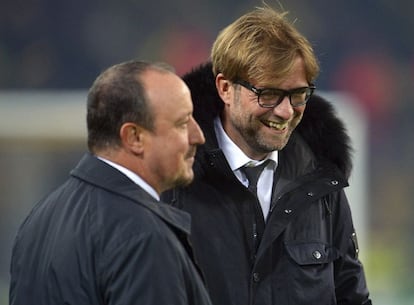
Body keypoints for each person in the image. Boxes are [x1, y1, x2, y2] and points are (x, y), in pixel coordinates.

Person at [161, 5, 372, 305]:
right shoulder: (173, 181)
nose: (286, 111)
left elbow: (352, 296)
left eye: (298, 95)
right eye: (269, 94)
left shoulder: (321, 181)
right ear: (224, 88)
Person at [9, 60, 212, 305]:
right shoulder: (144, 235)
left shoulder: (40, 218)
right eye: (182, 123)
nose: (198, 136)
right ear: (134, 137)